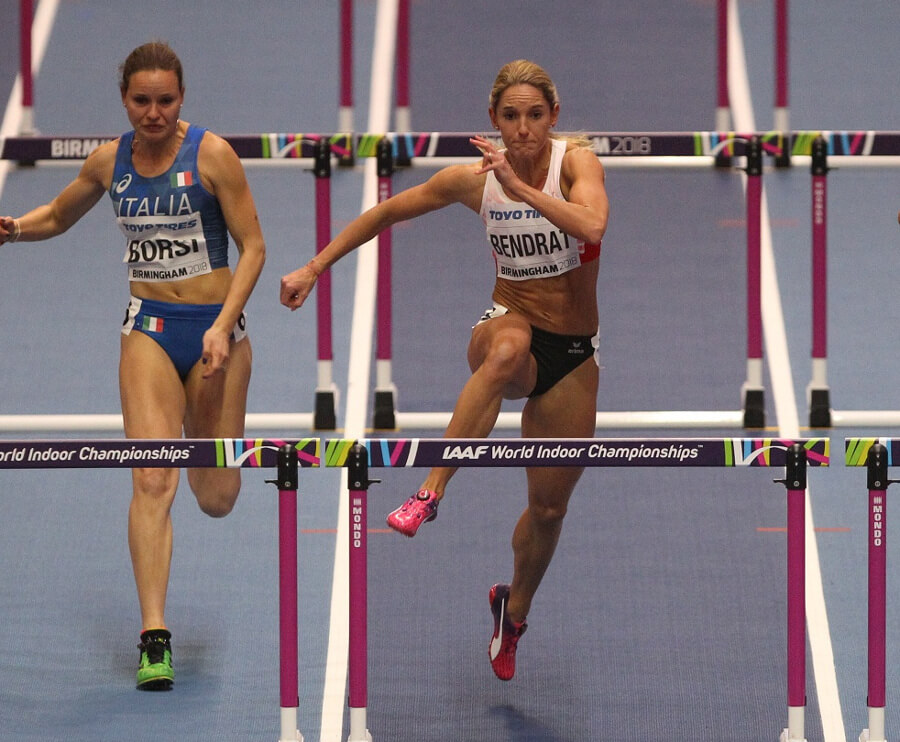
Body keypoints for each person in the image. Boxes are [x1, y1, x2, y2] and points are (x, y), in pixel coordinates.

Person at [281, 59, 608, 681]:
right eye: (510, 116)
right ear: (493, 120)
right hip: (507, 323)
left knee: (548, 511)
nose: (523, 128)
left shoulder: (576, 165)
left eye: (534, 115)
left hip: (573, 351)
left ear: (554, 116)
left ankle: (513, 611)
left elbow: (593, 223)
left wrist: (521, 188)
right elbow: (386, 213)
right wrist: (314, 268)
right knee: (506, 352)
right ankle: (430, 492)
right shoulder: (472, 180)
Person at [0, 41, 266, 690]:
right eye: (141, 101)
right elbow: (58, 214)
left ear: (182, 99)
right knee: (151, 478)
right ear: (124, 99)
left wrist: (223, 325)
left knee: (217, 497)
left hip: (217, 332)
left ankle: (203, 422)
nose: (153, 113)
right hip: (148, 330)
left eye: (165, 101)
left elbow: (254, 247)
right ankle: (154, 635)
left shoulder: (212, 155)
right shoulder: (108, 162)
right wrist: (14, 229)